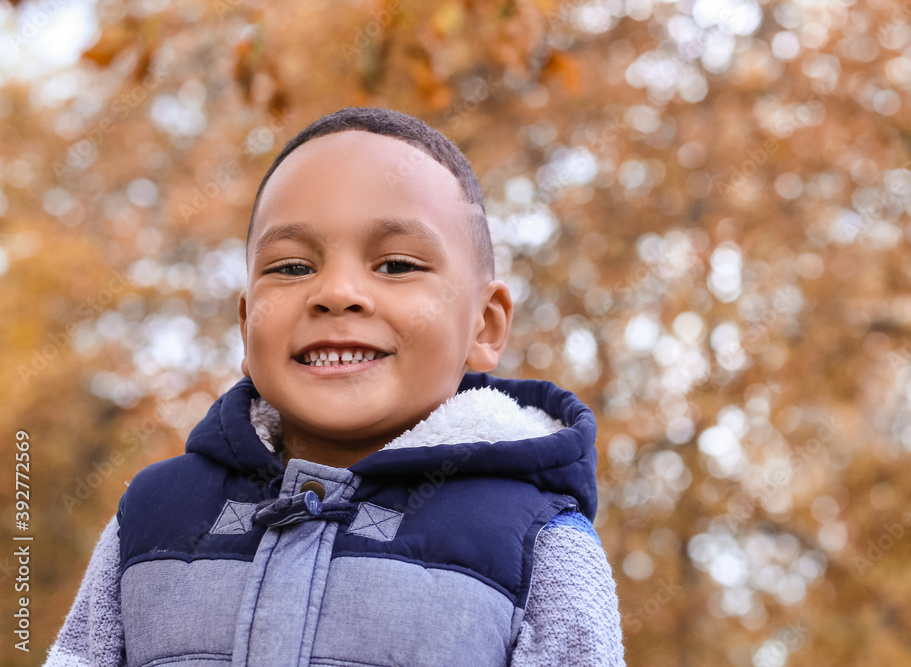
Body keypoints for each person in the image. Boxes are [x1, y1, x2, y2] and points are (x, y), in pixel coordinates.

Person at [44, 107, 625, 667]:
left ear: (485, 324)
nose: (338, 291)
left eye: (396, 265)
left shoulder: (538, 545)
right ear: (246, 327)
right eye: (293, 267)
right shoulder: (151, 518)